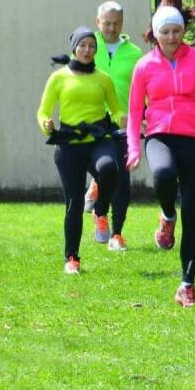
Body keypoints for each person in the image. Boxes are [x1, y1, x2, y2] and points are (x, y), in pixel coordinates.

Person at [127, 0, 195, 307]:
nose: (171, 37)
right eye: (165, 32)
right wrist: (133, 147)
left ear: (182, 30)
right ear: (154, 34)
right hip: (159, 134)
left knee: (193, 214)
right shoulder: (144, 66)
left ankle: (187, 284)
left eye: (176, 31)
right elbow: (134, 112)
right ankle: (166, 215)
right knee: (162, 174)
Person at [37, 27, 122, 274]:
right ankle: (72, 258)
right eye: (82, 45)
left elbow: (115, 109)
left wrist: (122, 117)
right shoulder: (59, 78)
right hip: (69, 143)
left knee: (109, 168)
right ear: (74, 47)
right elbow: (43, 110)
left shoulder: (103, 79)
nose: (87, 50)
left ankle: (100, 210)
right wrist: (46, 125)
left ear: (96, 50)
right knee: (74, 203)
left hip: (97, 138)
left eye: (92, 46)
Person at [81, 1, 144, 251]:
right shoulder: (87, 46)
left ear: (122, 23)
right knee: (105, 170)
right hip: (93, 120)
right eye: (106, 23)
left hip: (123, 121)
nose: (111, 27)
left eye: (116, 23)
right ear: (98, 22)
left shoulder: (134, 53)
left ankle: (117, 233)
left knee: (123, 177)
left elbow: (142, 88)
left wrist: (144, 114)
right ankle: (100, 209)